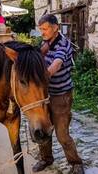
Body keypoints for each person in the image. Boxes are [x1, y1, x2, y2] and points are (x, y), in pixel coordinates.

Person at [34, 14, 84, 174]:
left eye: (45, 29)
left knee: (62, 134)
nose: (42, 32)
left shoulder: (63, 44)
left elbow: (57, 63)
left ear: (55, 27)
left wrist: (43, 77)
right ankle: (46, 159)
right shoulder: (46, 41)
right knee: (42, 129)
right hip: (45, 94)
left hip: (61, 95)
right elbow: (40, 55)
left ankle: (76, 163)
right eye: (40, 29)